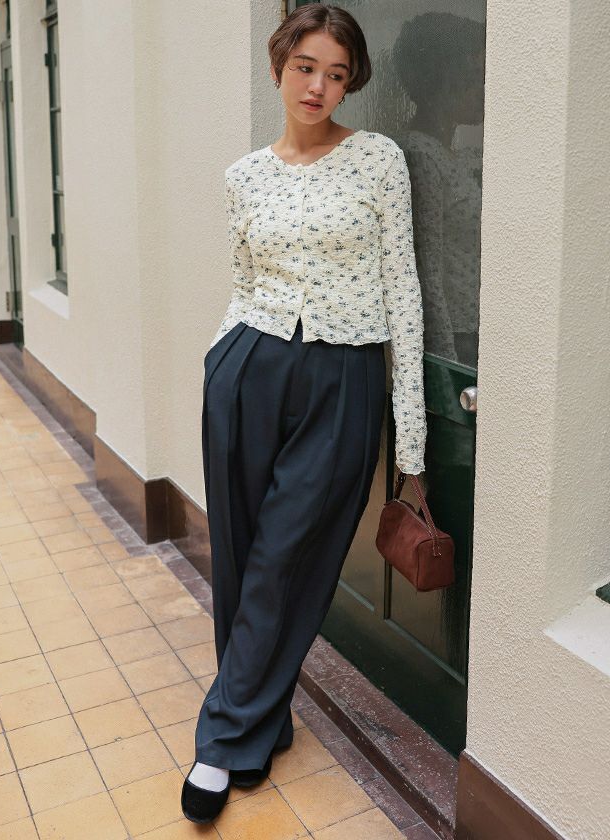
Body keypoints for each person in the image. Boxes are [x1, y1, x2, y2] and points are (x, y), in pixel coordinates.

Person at [181, 3, 427, 824]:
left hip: (341, 376)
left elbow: (403, 290)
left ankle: (220, 740)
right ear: (279, 67)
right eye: (305, 67)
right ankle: (260, 723)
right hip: (246, 369)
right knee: (241, 555)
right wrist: (218, 361)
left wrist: (412, 440)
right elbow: (244, 279)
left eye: (336, 73)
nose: (318, 86)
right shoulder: (244, 175)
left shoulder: (378, 159)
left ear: (351, 83)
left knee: (284, 557)